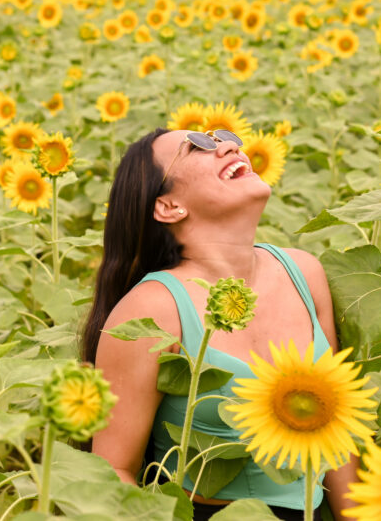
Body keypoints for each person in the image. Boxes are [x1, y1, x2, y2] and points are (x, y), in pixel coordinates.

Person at [81, 128, 359, 520]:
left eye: (223, 137)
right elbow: (113, 470)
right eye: (197, 146)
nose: (230, 145)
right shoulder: (153, 309)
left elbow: (337, 431)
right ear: (169, 206)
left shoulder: (303, 272)